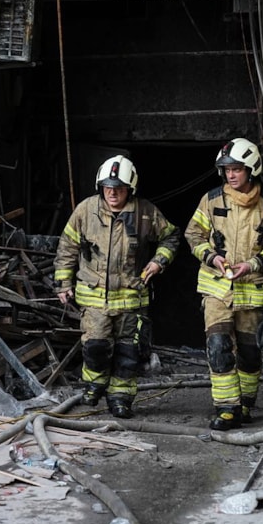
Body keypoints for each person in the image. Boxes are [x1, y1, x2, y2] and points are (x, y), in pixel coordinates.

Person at [54, 155, 180, 418]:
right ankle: (95, 384)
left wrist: (158, 262)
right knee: (95, 347)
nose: (112, 193)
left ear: (130, 189)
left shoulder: (145, 212)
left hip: (131, 299)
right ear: (100, 187)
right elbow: (67, 247)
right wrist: (63, 283)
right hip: (94, 297)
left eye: (119, 188)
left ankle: (120, 398)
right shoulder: (85, 211)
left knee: (128, 353)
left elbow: (171, 236)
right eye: (108, 187)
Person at [184, 138, 263, 430]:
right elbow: (193, 234)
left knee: (249, 353)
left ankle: (245, 404)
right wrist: (211, 257)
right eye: (227, 170)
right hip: (217, 288)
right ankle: (227, 408)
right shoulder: (212, 200)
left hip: (254, 291)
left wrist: (253, 264)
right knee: (218, 346)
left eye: (237, 169)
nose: (230, 175)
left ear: (251, 169)